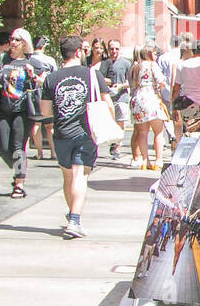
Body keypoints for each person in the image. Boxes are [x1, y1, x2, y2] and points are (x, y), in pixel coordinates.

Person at [41, 36, 112, 239]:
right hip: (85, 132)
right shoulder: (92, 74)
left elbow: (45, 111)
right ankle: (75, 219)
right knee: (80, 175)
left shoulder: (51, 78)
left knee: (67, 176)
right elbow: (107, 103)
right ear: (80, 51)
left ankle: (73, 213)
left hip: (61, 133)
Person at [0, 27, 39, 198]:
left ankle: (19, 183)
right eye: (11, 39)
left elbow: (44, 82)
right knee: (4, 148)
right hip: (4, 109)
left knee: (17, 147)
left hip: (22, 110)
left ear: (24, 43)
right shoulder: (1, 60)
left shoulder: (32, 61)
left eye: (16, 40)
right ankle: (18, 170)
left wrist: (33, 75)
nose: (12, 42)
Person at [129, 46, 168, 170]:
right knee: (158, 132)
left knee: (142, 132)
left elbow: (131, 84)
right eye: (155, 54)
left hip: (137, 99)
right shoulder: (152, 65)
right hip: (151, 98)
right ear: (150, 54)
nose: (156, 57)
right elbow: (161, 81)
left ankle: (145, 161)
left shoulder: (135, 67)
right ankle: (158, 160)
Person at [171, 39, 200, 136]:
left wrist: (174, 108)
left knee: (190, 131)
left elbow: (176, 88)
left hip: (187, 104)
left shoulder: (182, 65)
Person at [99, 38, 132, 160]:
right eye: (111, 48)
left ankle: (117, 147)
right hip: (107, 97)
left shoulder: (126, 63)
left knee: (120, 122)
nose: (114, 51)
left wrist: (122, 86)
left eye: (116, 49)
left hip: (121, 97)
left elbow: (131, 81)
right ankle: (112, 142)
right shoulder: (104, 63)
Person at [28, 35, 57, 160]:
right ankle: (54, 153)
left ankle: (39, 153)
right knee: (50, 126)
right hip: (48, 94)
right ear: (43, 46)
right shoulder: (50, 60)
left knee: (36, 124)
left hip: (34, 93)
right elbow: (55, 75)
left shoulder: (29, 59)